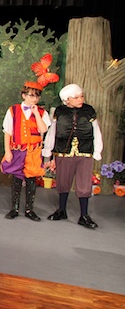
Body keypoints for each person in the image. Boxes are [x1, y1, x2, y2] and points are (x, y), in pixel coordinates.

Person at [42, 83, 103, 229]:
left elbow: (96, 131)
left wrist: (97, 151)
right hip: (64, 152)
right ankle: (61, 210)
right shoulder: (59, 112)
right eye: (76, 97)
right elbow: (52, 132)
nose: (80, 99)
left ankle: (84, 215)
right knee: (63, 181)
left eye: (81, 96)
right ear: (67, 100)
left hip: (84, 151)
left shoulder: (88, 111)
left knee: (84, 184)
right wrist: (47, 152)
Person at [0, 82, 51, 221]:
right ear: (24, 95)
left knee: (31, 180)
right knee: (16, 178)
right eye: (31, 95)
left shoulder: (42, 112)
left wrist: (36, 113)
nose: (34, 99)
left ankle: (29, 209)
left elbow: (43, 129)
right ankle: (14, 208)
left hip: (33, 152)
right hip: (18, 150)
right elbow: (7, 132)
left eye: (37, 96)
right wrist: (7, 151)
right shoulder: (13, 110)